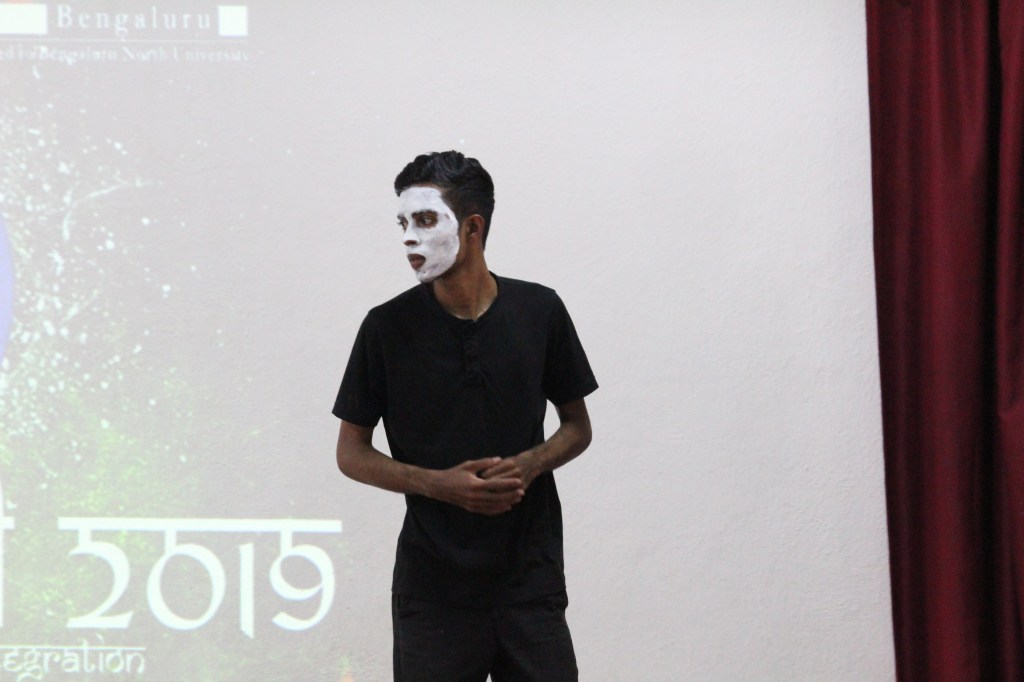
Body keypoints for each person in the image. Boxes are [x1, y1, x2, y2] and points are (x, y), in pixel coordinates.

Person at [333, 151, 597, 681]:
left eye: (425, 220)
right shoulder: (385, 328)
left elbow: (577, 427)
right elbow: (350, 453)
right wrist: (439, 485)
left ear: (472, 227)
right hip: (433, 591)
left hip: (530, 581)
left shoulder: (539, 311)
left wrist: (530, 463)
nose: (410, 238)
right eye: (403, 224)